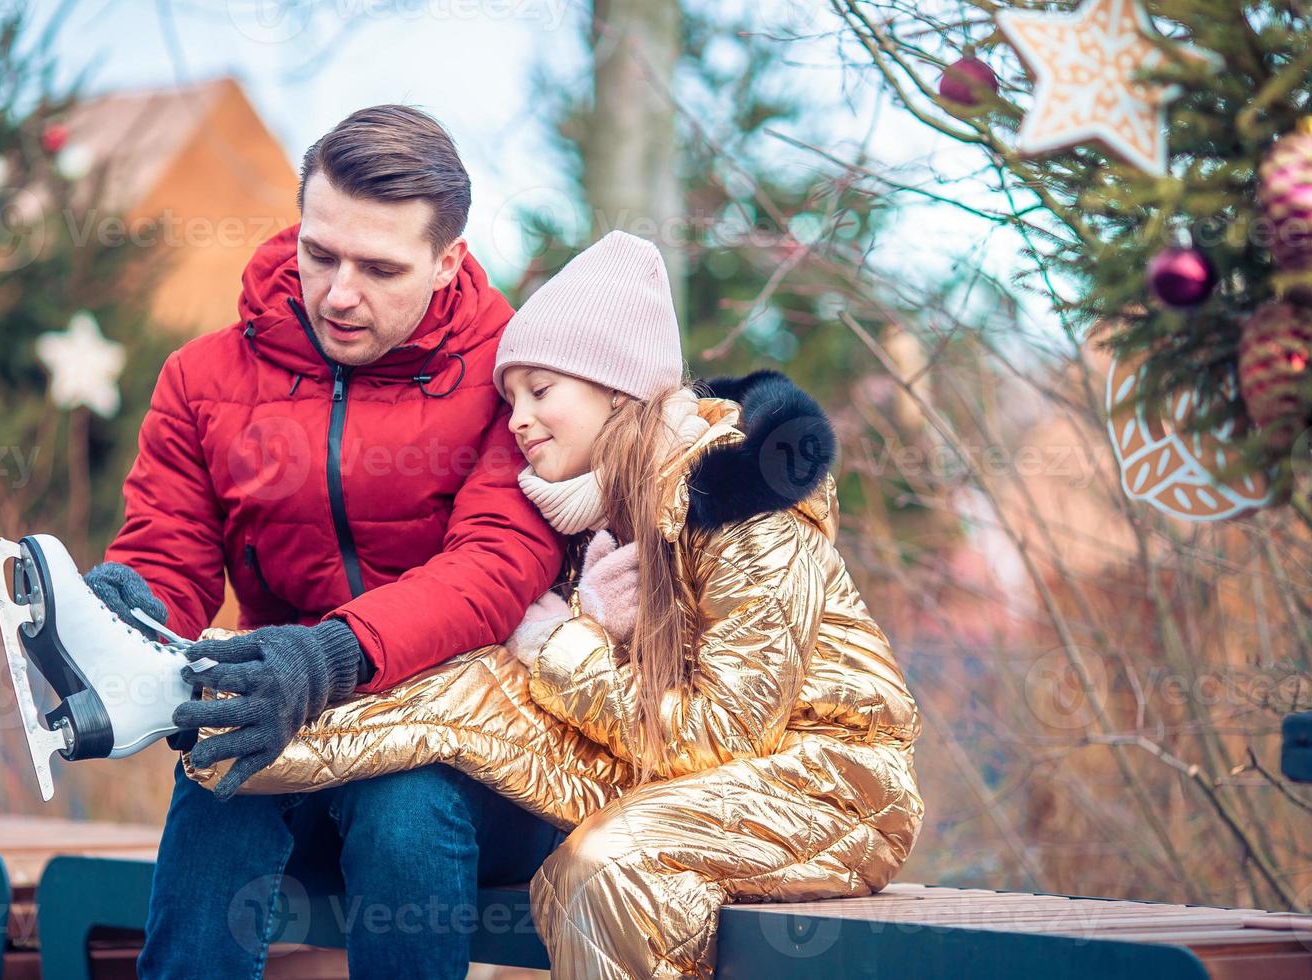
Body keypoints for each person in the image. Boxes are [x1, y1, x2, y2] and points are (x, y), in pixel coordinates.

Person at [181, 230, 925, 978]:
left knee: (602, 870)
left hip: (833, 786)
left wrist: (562, 646)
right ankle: (241, 720)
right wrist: (257, 704)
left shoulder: (743, 514)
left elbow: (727, 729)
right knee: (438, 723)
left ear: (617, 390)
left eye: (541, 391)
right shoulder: (588, 518)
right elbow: (496, 698)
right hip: (679, 777)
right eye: (510, 398)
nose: (518, 421)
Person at [85, 105, 570, 979]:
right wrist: (134, 610)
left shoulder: (517, 376)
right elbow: (169, 550)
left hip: (473, 758)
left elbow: (495, 567)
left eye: (381, 268)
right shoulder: (204, 379)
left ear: (449, 260)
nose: (339, 292)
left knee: (403, 804)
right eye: (320, 254)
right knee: (220, 767)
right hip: (284, 732)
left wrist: (331, 654)